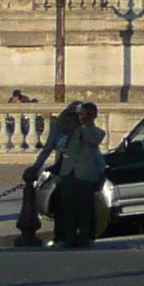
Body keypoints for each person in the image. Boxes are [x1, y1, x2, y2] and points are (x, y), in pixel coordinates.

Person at [50, 102, 108, 248]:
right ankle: (67, 237)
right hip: (67, 171)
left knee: (85, 208)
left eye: (84, 114)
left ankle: (85, 238)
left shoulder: (96, 131)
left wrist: (86, 124)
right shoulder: (71, 129)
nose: (81, 116)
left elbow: (93, 140)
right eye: (80, 113)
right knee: (66, 207)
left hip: (85, 174)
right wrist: (70, 112)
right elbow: (60, 125)